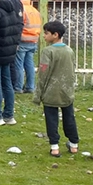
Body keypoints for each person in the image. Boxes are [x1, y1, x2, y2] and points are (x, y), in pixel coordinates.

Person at [33, 21, 79, 157]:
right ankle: (74, 144)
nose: (44, 36)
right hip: (66, 91)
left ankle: (54, 147)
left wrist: (38, 94)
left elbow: (43, 74)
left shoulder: (48, 52)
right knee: (69, 117)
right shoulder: (69, 51)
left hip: (50, 92)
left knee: (51, 119)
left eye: (46, 33)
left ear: (55, 35)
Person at [14, 0, 41, 94]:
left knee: (19, 65)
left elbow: (19, 26)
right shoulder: (34, 10)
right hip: (33, 39)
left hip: (23, 39)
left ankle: (18, 87)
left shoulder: (21, 9)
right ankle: (30, 86)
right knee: (29, 64)